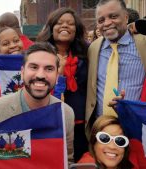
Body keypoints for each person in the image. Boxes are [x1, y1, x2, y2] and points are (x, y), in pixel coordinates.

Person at [85, 0, 146, 138]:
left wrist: (142, 26)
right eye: (101, 20)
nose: (106, 23)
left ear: (126, 17)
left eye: (113, 16)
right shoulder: (93, 48)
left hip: (137, 128)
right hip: (101, 130)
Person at [36, 7, 88, 162]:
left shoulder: (87, 52)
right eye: (60, 23)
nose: (65, 26)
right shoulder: (40, 53)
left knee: (77, 160)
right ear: (52, 28)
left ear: (76, 30)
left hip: (79, 123)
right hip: (49, 120)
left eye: (70, 24)